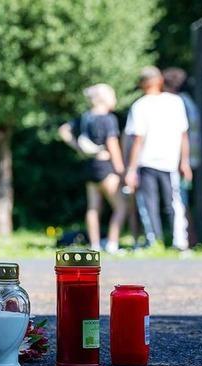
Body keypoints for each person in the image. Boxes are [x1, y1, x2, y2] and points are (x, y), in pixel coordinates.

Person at [124, 66, 192, 249]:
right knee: (174, 203)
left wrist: (130, 169)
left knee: (149, 204)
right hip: (170, 162)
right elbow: (184, 134)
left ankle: (154, 242)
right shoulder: (175, 102)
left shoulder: (139, 105)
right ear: (160, 80)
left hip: (146, 162)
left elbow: (137, 139)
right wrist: (185, 161)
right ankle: (180, 243)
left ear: (141, 84)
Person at [58, 83, 127, 253]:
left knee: (93, 207)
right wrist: (120, 170)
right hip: (105, 166)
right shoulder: (108, 119)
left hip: (90, 166)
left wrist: (80, 148)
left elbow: (63, 130)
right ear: (105, 99)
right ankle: (112, 244)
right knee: (121, 206)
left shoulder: (85, 117)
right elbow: (113, 145)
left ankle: (95, 246)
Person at [163, 67, 200, 247]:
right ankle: (191, 240)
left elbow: (181, 134)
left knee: (180, 200)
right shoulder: (188, 101)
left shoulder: (176, 103)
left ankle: (188, 240)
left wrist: (182, 160)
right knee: (184, 200)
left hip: (180, 161)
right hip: (191, 159)